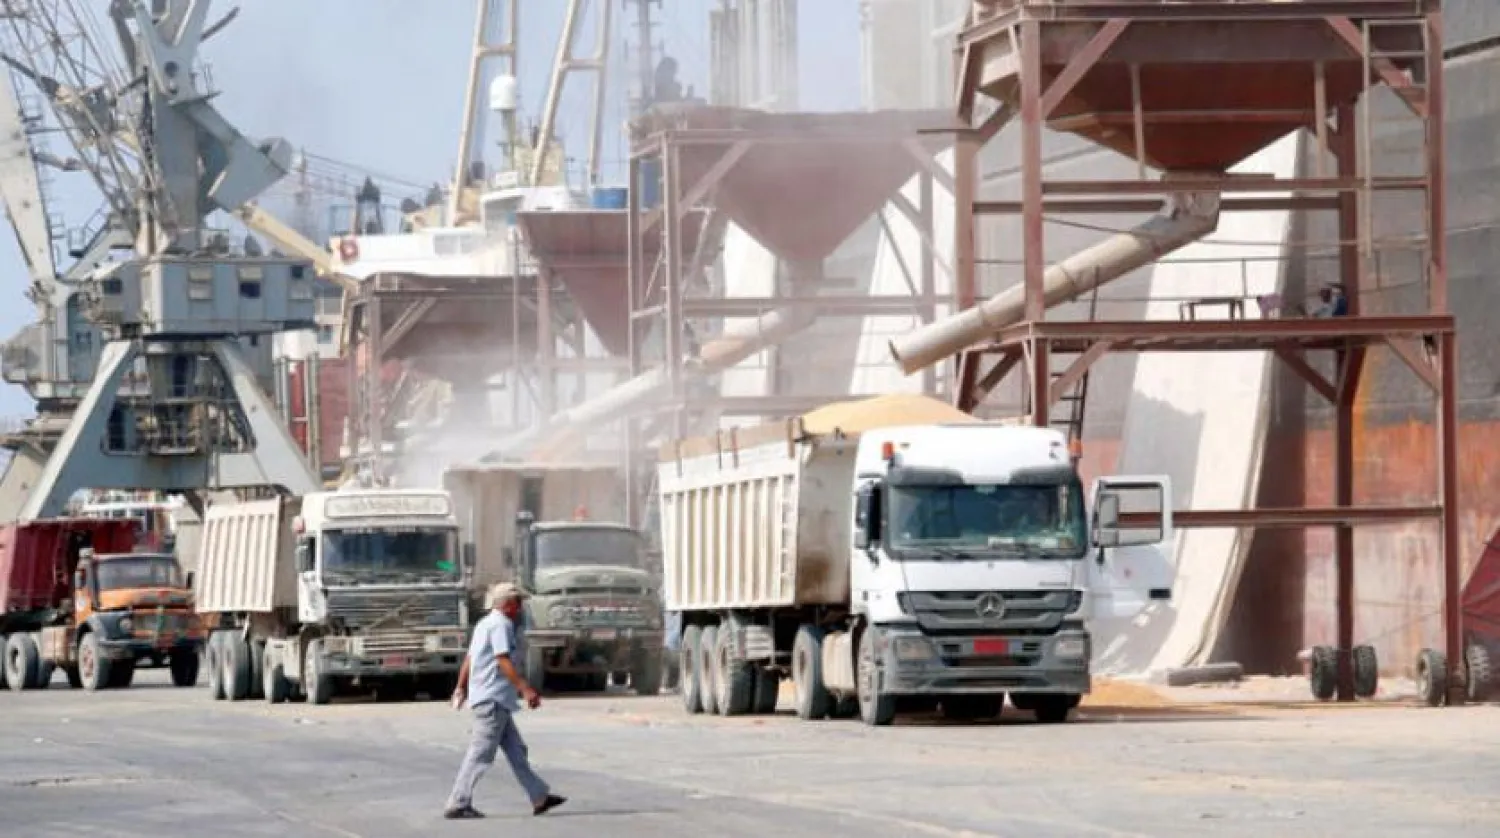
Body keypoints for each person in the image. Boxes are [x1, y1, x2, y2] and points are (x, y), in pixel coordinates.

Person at [443, 582, 567, 820]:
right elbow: (503, 660)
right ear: (508, 604)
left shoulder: (484, 623)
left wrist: (460, 688)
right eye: (518, 603)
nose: (520, 608)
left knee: (517, 750)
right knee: (480, 753)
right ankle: (458, 801)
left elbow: (470, 658)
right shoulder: (501, 625)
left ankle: (538, 796)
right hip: (492, 700)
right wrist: (526, 689)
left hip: (494, 699)